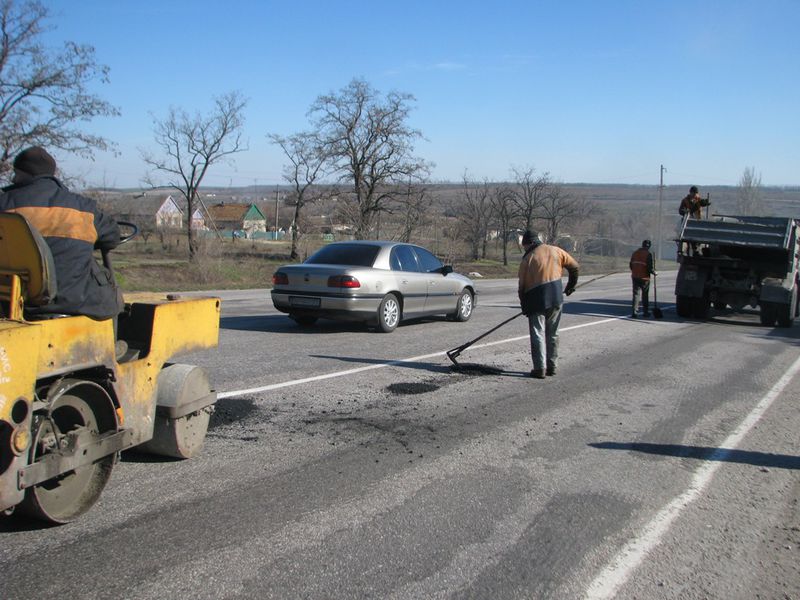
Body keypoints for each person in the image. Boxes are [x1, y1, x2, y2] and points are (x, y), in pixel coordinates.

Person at [0, 146, 123, 321]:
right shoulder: (83, 208)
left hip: (13, 305)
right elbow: (112, 238)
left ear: (20, 173)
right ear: (51, 173)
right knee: (111, 292)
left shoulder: (4, 205)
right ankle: (113, 342)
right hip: (76, 303)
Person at [517, 229, 579, 379]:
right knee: (553, 333)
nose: (524, 248)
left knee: (537, 333)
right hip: (556, 298)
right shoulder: (556, 250)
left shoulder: (528, 259)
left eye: (524, 245)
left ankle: (540, 369)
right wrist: (570, 286)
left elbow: (522, 287)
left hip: (536, 301)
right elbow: (574, 267)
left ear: (529, 243)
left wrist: (524, 306)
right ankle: (552, 367)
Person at [629, 239, 656, 318]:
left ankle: (634, 312)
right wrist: (654, 272)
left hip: (635, 276)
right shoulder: (648, 254)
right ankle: (645, 312)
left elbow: (631, 265)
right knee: (645, 295)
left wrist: (635, 271)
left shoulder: (635, 253)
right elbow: (649, 268)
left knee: (636, 295)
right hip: (644, 278)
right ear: (649, 246)